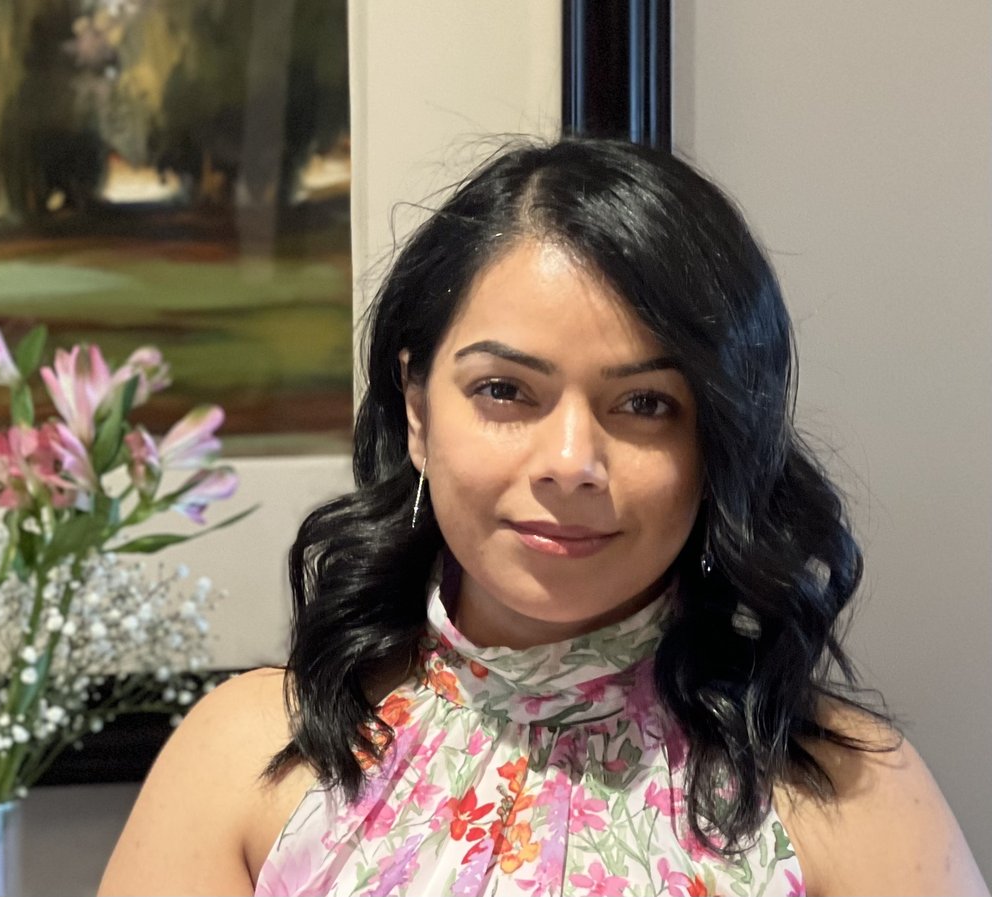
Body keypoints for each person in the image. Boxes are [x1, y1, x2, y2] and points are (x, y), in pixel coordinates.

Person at [99, 139, 987, 896]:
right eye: (504, 390)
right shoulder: (244, 758)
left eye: (645, 404)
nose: (570, 462)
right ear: (417, 410)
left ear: (719, 440)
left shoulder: (851, 796)